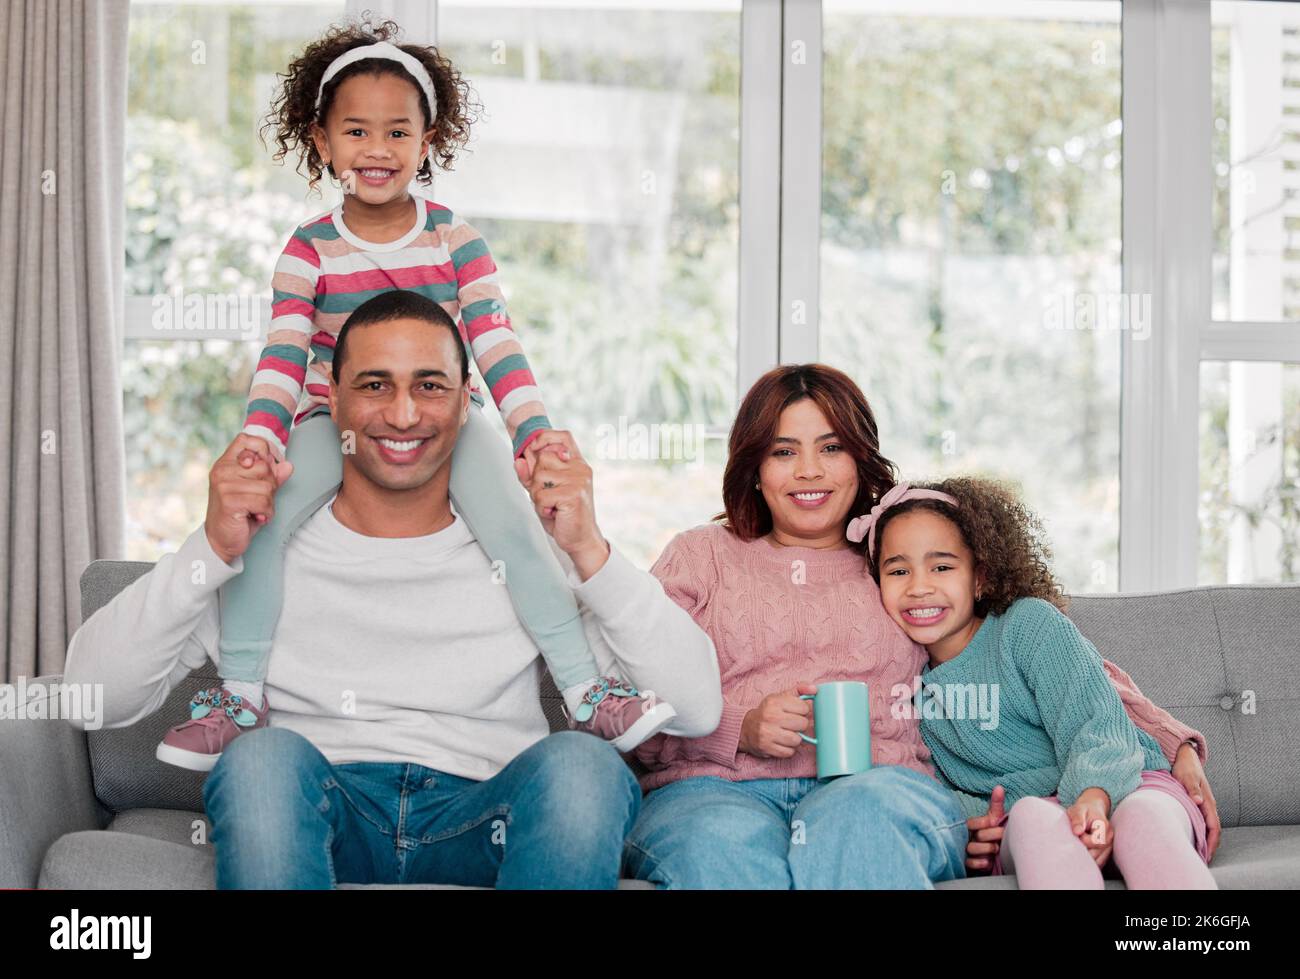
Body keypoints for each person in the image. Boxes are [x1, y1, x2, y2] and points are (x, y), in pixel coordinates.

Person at [62, 291, 722, 888]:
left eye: (429, 385)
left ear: (467, 398)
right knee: (259, 759)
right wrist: (208, 547)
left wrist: (588, 547)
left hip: (484, 812)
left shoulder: (528, 554)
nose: (403, 414)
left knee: (587, 767)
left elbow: (697, 709)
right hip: (320, 812)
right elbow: (90, 698)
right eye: (376, 384)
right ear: (333, 393)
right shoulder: (261, 548)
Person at [155, 17, 671, 771]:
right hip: (332, 421)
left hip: (448, 427)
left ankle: (589, 693)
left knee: (519, 533)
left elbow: (495, 343)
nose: (377, 150)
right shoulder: (309, 249)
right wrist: (263, 438)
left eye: (397, 132)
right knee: (260, 526)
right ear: (322, 140)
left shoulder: (456, 241)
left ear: (427, 142)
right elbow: (283, 354)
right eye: (356, 131)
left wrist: (534, 432)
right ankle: (239, 694)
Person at [623, 363, 1218, 888]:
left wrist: (1171, 744)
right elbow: (622, 696)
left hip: (878, 791)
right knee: (719, 854)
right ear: (754, 466)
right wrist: (737, 730)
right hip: (713, 791)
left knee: (860, 823)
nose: (809, 471)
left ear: (861, 460)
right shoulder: (701, 557)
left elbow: (1058, 668)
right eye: (783, 451)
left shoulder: (893, 560)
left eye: (831, 448)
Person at [860, 476, 1216, 889]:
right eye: (899, 570)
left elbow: (1097, 722)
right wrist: (969, 826)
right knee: (1032, 816)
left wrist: (1092, 799)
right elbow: (923, 778)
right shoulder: (899, 680)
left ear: (980, 577)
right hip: (1021, 820)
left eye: (942, 566)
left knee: (1142, 819)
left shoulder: (1027, 627)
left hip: (1124, 787)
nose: (920, 587)